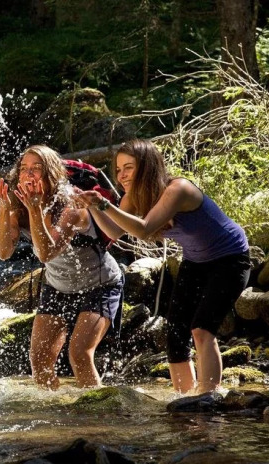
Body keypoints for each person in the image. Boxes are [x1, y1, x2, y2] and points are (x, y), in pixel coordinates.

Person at [74, 139, 250, 394]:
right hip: (195, 261)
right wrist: (93, 206)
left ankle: (207, 397)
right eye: (119, 169)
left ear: (147, 167)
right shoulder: (134, 197)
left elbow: (145, 230)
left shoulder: (178, 189)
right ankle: (183, 398)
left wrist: (104, 204)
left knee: (201, 330)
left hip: (230, 259)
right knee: (175, 333)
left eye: (129, 168)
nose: (121, 175)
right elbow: (113, 231)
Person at [0, 145, 124, 389]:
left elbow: (45, 253)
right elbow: (3, 252)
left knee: (79, 354)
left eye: (36, 168)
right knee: (39, 359)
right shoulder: (19, 206)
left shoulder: (73, 206)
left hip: (100, 285)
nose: (29, 174)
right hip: (57, 286)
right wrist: (3, 208)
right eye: (24, 169)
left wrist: (36, 211)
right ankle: (54, 411)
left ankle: (99, 409)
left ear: (51, 173)